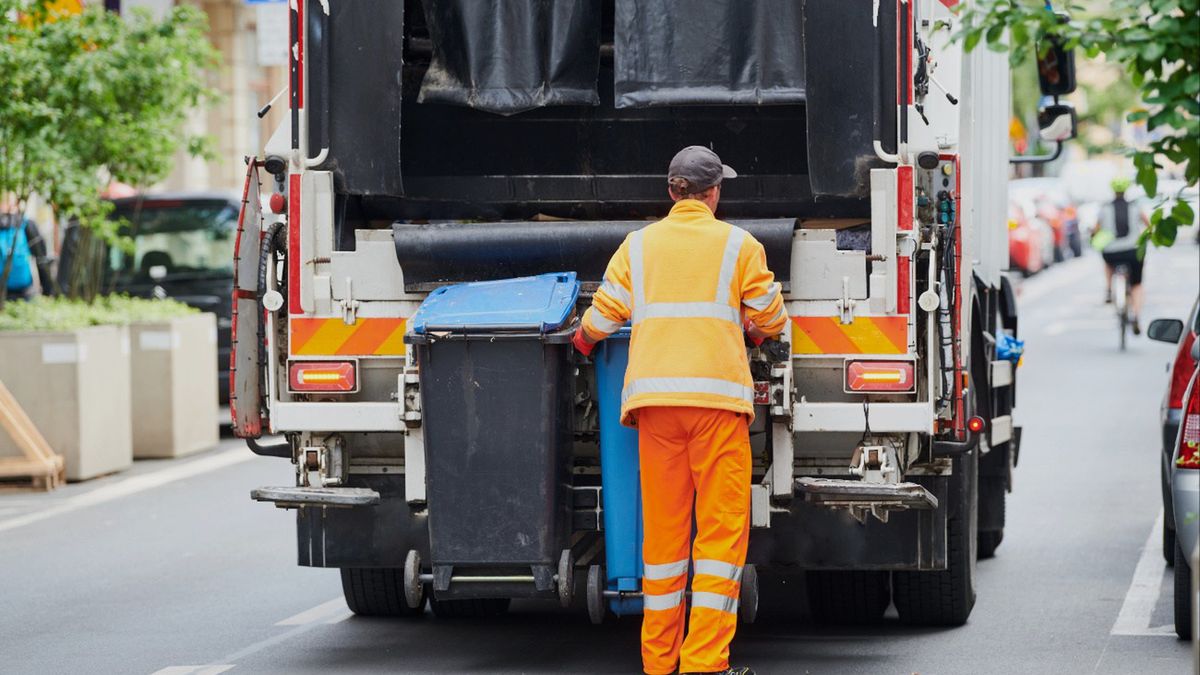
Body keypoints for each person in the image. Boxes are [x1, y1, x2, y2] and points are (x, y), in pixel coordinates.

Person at [573, 146, 788, 675]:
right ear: (714, 194)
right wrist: (752, 328)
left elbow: (602, 319)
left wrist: (581, 342)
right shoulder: (740, 245)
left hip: (655, 410)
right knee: (718, 539)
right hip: (716, 408)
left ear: (672, 192)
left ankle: (659, 662)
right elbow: (772, 317)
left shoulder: (638, 246)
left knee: (664, 540)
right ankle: (704, 665)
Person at [1092, 176, 1149, 333]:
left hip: (1111, 253)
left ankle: (1109, 289)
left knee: (1107, 262)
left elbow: (1096, 230)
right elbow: (1148, 224)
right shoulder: (1135, 206)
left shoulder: (1104, 208)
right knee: (1137, 284)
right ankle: (1136, 316)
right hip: (1133, 251)